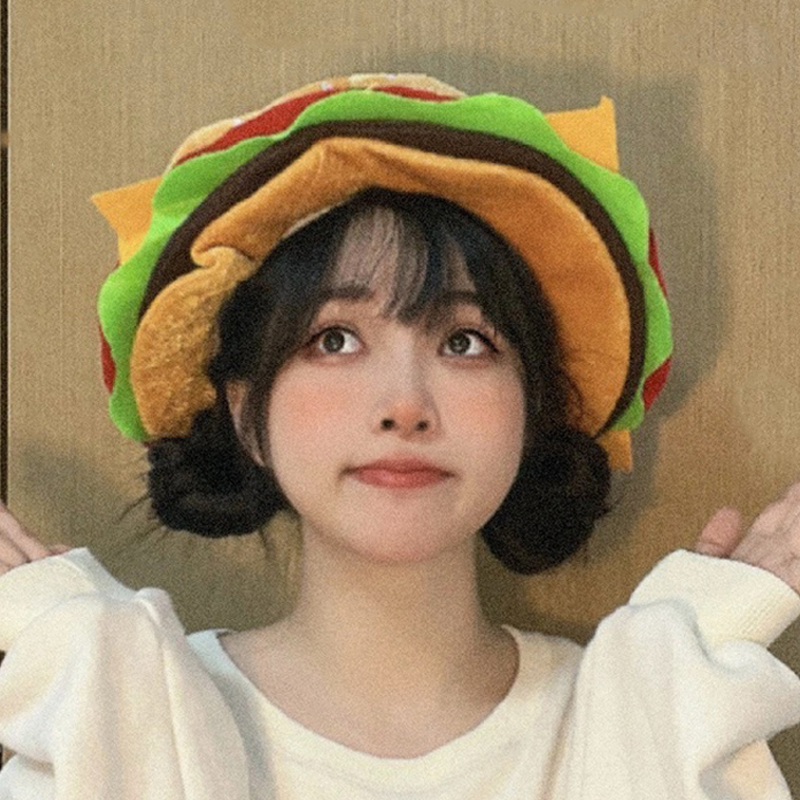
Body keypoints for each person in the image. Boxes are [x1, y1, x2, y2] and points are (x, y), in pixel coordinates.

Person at [0, 73, 798, 799]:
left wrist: (675, 703)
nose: (405, 405)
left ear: (534, 410)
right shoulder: (113, 716)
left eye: (465, 342)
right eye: (334, 340)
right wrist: (98, 701)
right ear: (245, 414)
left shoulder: (653, 720)